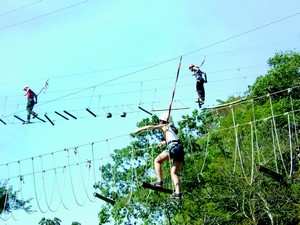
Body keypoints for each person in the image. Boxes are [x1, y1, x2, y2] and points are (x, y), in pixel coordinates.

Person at [134, 112, 184, 200]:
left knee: (157, 160)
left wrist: (139, 130)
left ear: (162, 121)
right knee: (173, 173)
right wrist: (164, 142)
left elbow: (150, 127)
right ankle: (178, 193)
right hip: (180, 149)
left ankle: (159, 181)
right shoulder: (172, 129)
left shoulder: (164, 126)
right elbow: (173, 139)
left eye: (160, 121)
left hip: (174, 148)